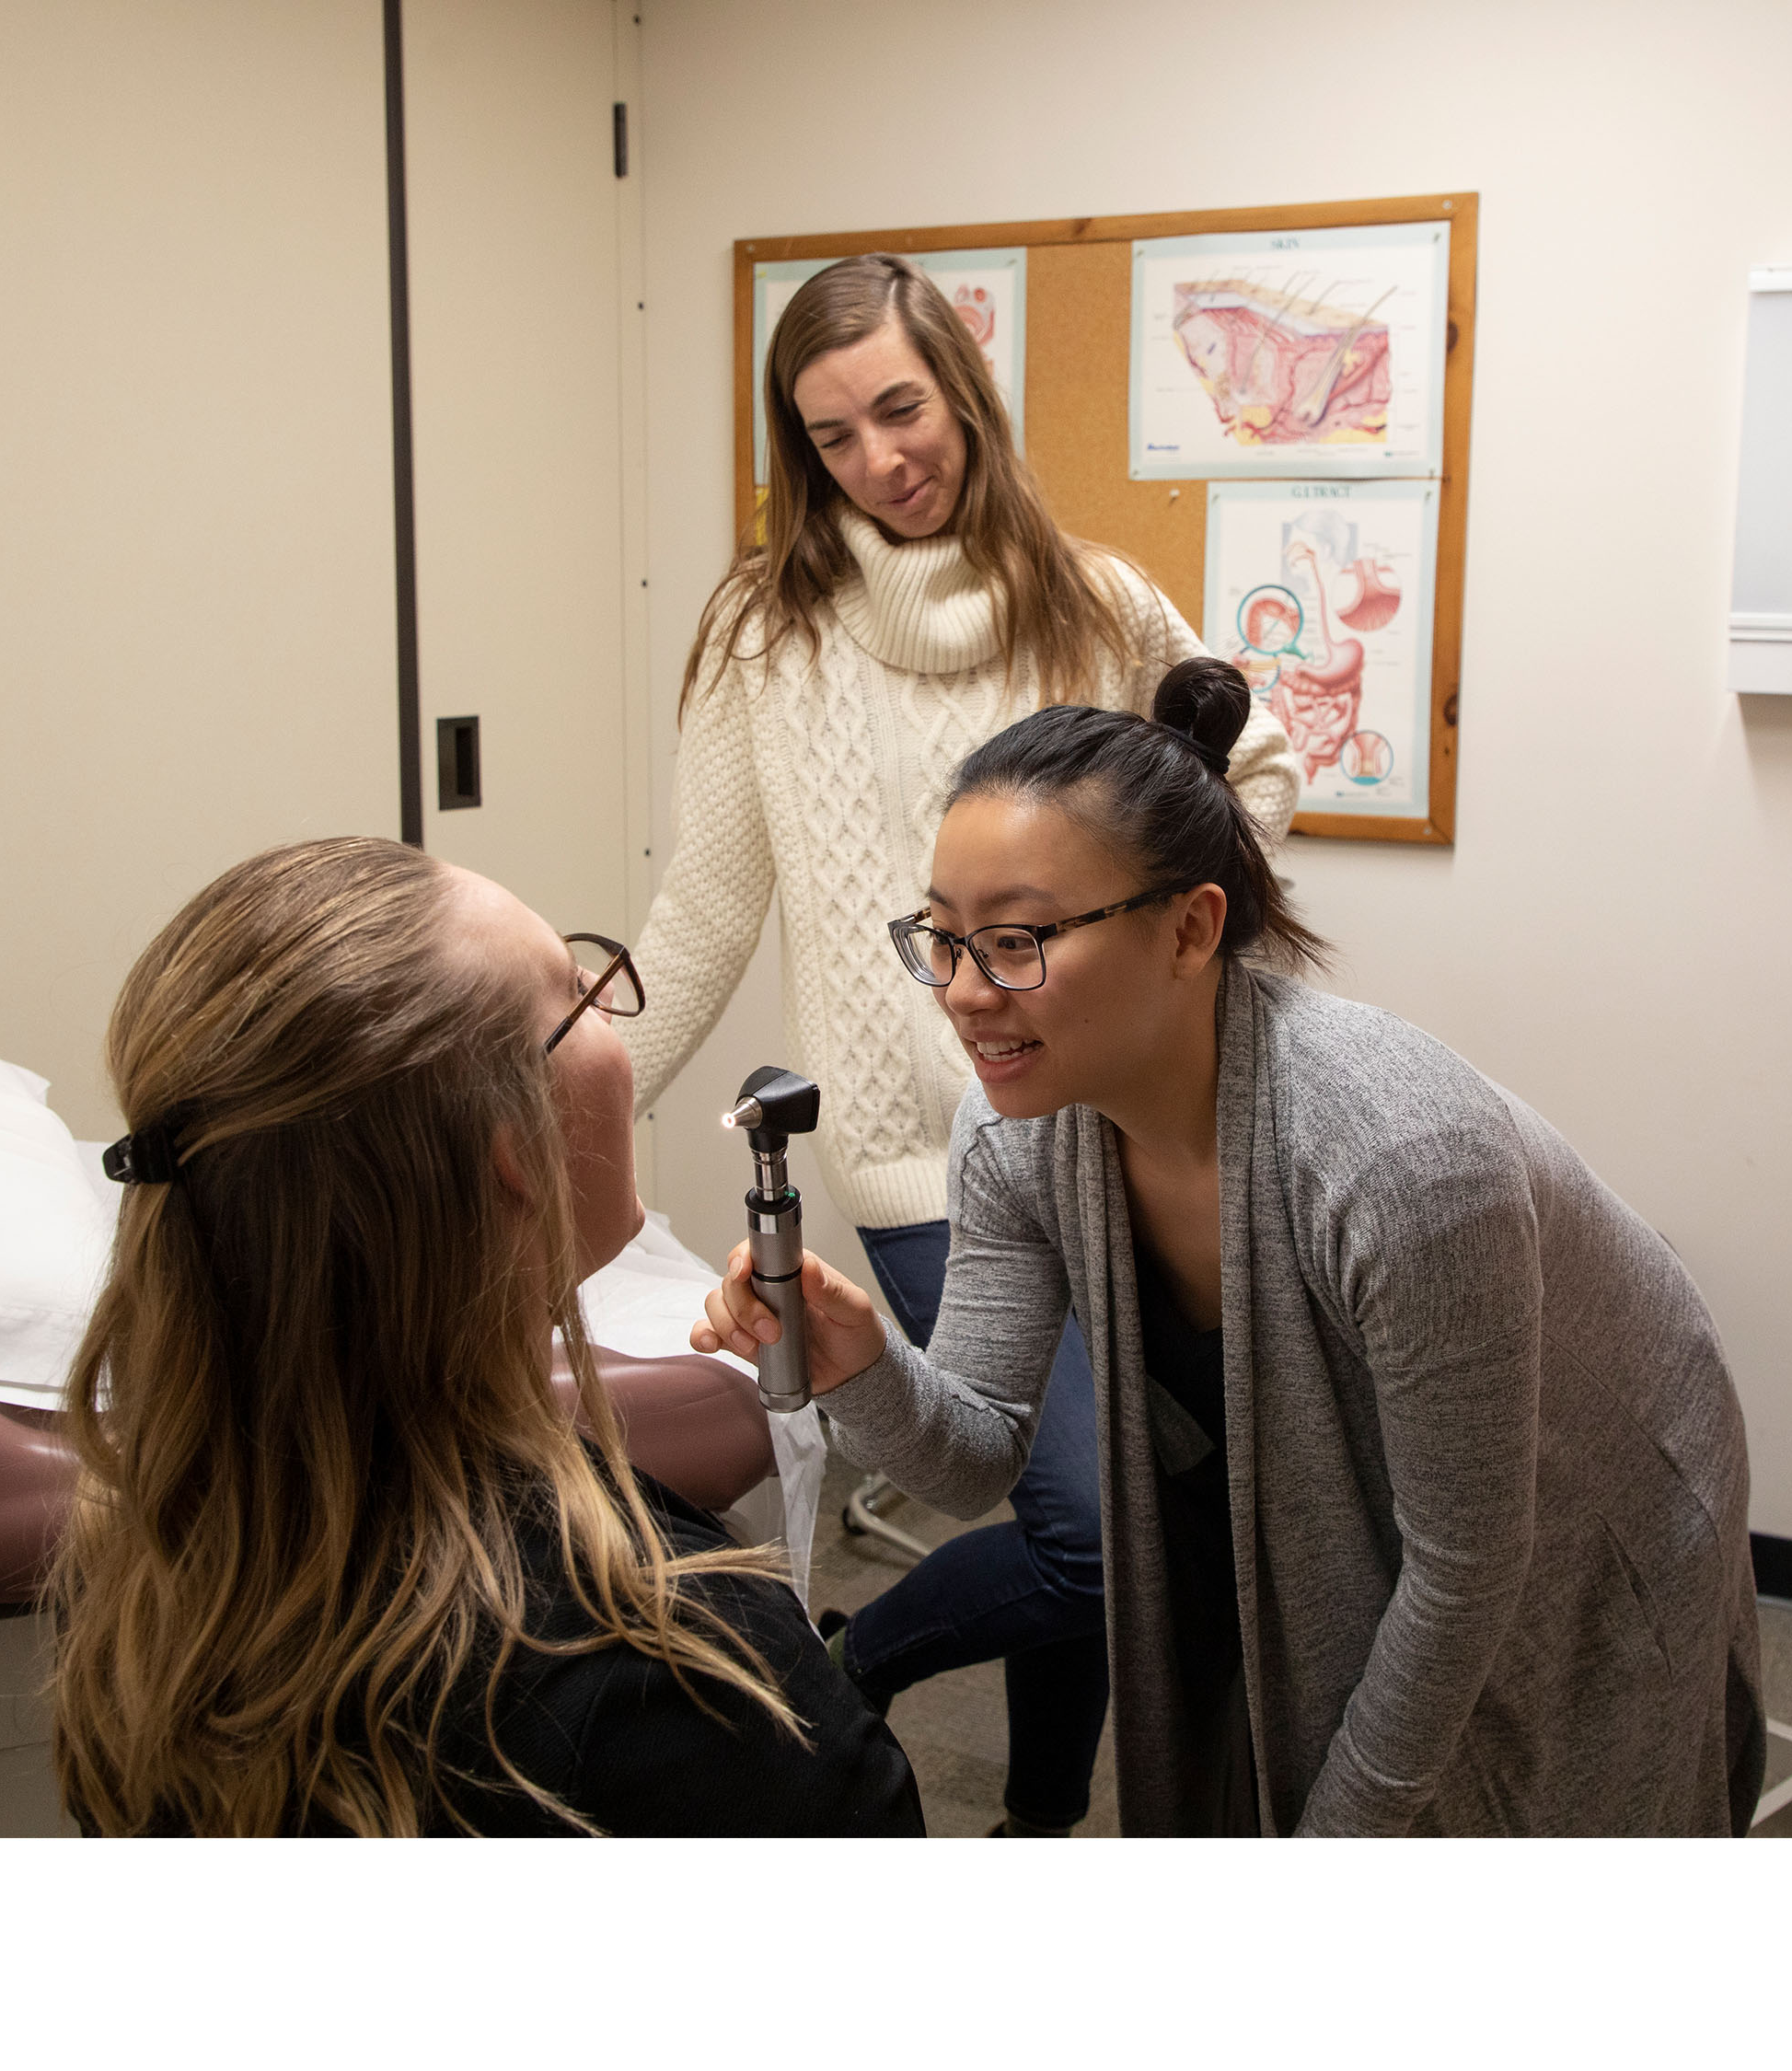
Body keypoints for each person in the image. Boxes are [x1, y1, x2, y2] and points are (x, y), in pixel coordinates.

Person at [695, 660, 1766, 1836]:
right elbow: (973, 1458)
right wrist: (861, 1364)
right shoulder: (1017, 1135)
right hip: (1451, 1523)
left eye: (1015, 941)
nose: (963, 993)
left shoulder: (1395, 1156)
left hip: (1596, 1482)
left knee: (1544, 1790)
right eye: (941, 939)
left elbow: (1464, 1575)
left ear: (1191, 928)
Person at [628, 254, 1300, 1834]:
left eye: (900, 410)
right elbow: (707, 910)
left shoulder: (1097, 599)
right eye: (834, 436)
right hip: (923, 1157)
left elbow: (1249, 778)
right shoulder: (763, 632)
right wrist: (545, 1109)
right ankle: (838, 1671)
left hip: (1110, 1138)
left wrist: (1174, 961)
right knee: (1083, 1530)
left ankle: (1039, 1820)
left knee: (1125, 1522)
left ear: (962, 391)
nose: (880, 459)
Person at [48, 836, 921, 1837]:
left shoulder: (152, 1572)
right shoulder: (694, 1691)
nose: (612, 1008)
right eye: (579, 992)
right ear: (516, 1153)